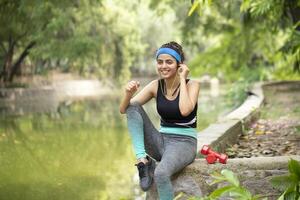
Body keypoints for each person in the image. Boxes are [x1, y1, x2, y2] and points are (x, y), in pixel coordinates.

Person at [119, 41, 200, 200]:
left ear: (179, 65)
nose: (163, 66)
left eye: (169, 62)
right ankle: (143, 162)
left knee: (161, 173)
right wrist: (128, 93)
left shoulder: (193, 85)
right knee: (133, 107)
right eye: (160, 62)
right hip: (160, 141)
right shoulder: (155, 86)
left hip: (184, 143)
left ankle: (153, 168)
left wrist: (183, 79)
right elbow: (125, 110)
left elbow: (185, 110)